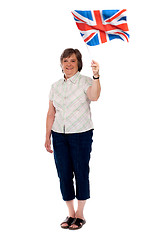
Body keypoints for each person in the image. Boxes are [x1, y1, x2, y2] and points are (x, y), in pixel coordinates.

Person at [45, 48, 101, 230]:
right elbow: (51, 113)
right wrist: (47, 136)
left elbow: (95, 96)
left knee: (81, 171)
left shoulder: (86, 81)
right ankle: (70, 213)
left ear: (78, 64)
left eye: (73, 61)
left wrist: (96, 76)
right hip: (59, 134)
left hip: (81, 133)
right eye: (66, 61)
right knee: (64, 173)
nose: (69, 64)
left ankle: (80, 214)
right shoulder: (55, 86)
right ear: (61, 64)